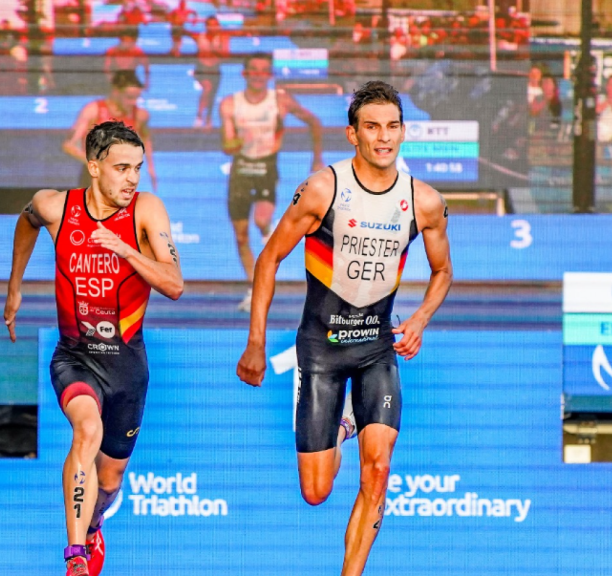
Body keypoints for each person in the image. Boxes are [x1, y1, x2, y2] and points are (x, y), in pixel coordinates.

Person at [236, 81, 452, 576]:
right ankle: (343, 423)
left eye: (392, 127)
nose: (383, 138)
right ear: (352, 134)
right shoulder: (322, 190)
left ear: (403, 132)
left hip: (377, 348)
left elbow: (443, 271)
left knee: (378, 469)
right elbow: (268, 259)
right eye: (371, 127)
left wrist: (418, 319)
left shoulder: (425, 202)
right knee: (316, 492)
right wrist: (256, 341)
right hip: (320, 351)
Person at [5, 121, 183, 576]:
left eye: (138, 169)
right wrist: (15, 287)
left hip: (126, 367)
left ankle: (96, 520)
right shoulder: (55, 206)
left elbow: (174, 284)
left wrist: (127, 251)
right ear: (93, 166)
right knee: (86, 430)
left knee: (110, 480)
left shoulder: (147, 211)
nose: (131, 179)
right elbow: (26, 222)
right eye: (121, 168)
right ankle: (76, 556)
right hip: (75, 357)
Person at [219, 52, 324, 311]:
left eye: (263, 70)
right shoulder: (230, 104)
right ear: (245, 74)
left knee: (262, 220)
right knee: (241, 237)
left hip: (266, 167)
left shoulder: (280, 100)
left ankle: (269, 234)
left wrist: (317, 158)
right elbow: (227, 145)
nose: (258, 74)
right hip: (241, 169)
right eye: (253, 69)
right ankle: (253, 288)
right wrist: (241, 141)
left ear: (270, 75)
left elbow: (314, 121)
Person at [63, 70, 157, 191]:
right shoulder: (93, 111)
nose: (133, 102)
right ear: (116, 92)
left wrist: (151, 169)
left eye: (136, 98)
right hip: (94, 179)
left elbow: (145, 138)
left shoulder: (140, 115)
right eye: (129, 97)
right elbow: (69, 145)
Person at [190, 16, 229, 128]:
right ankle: (199, 115)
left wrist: (216, 52)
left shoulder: (223, 38)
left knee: (212, 94)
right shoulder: (199, 37)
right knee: (207, 89)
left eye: (215, 25)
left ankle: (208, 118)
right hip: (201, 68)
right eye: (210, 25)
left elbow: (226, 55)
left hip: (215, 69)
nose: (212, 27)